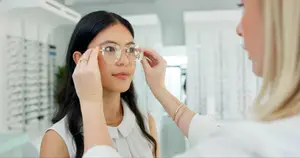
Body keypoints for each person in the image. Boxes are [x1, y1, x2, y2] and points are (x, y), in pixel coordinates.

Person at [78, 0, 300, 157]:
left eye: (243, 7)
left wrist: (90, 103)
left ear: (281, 17)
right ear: (80, 59)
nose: (238, 28)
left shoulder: (257, 145)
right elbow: (213, 133)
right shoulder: (59, 136)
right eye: (109, 49)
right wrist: (161, 91)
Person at [40, 11, 161, 158]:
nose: (124, 60)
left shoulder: (147, 123)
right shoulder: (58, 139)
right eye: (110, 49)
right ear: (81, 59)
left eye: (129, 49)